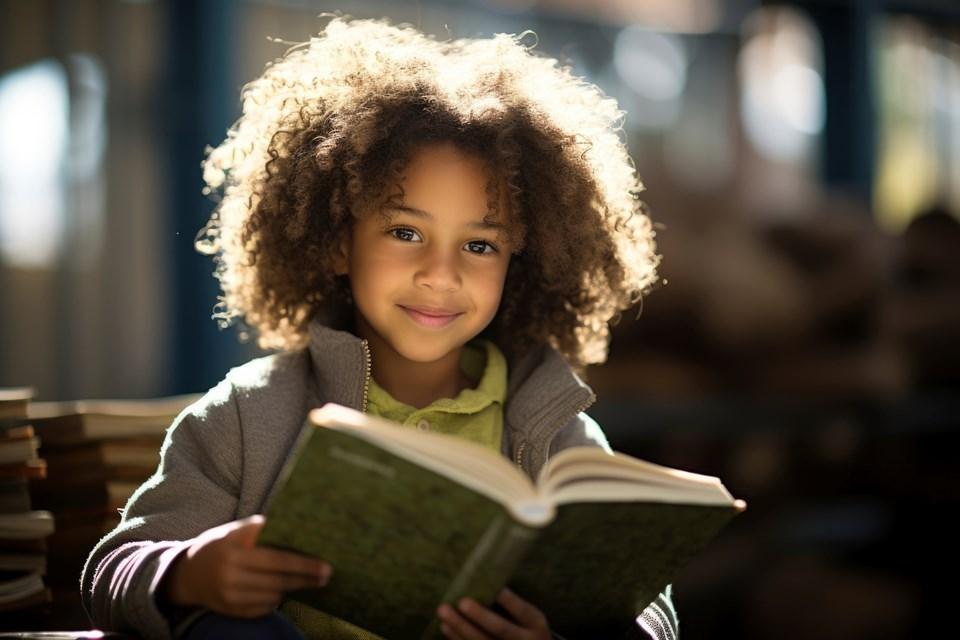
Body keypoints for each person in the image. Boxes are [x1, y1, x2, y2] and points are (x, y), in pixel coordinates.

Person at [80, 15, 676, 640]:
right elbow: (113, 571)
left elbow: (648, 605)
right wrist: (187, 574)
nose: (439, 275)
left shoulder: (557, 428)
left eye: (479, 245)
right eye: (405, 233)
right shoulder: (245, 417)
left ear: (520, 258)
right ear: (338, 242)